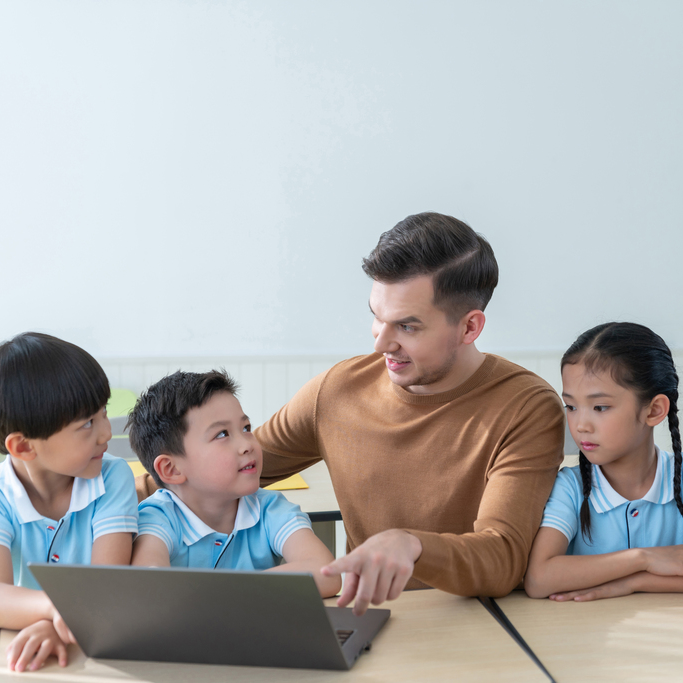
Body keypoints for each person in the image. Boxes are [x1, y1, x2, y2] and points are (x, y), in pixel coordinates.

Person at [234, 212, 565, 614]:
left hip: (482, 624)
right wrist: (134, 500)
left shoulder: (526, 407)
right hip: (369, 616)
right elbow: (220, 470)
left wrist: (413, 544)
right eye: (377, 317)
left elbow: (501, 558)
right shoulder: (337, 390)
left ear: (469, 328)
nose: (380, 345)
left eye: (408, 327)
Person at [0, 333, 138, 682]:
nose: (106, 432)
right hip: (11, 659)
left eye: (103, 412)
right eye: (87, 423)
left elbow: (106, 582)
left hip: (88, 651)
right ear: (24, 446)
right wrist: (52, 613)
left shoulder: (113, 476)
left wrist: (60, 625)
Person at [525, 323, 683, 601]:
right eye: (571, 406)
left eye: (600, 407)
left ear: (654, 410)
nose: (580, 425)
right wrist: (643, 559)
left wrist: (633, 582)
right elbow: (539, 579)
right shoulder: (570, 486)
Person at [127, 370, 340, 596]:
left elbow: (327, 573)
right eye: (222, 434)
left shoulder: (270, 509)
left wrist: (223, 591)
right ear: (172, 469)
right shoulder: (157, 517)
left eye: (246, 428)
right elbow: (149, 585)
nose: (247, 444)